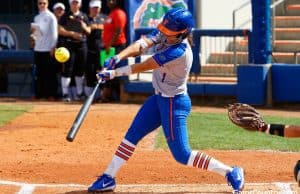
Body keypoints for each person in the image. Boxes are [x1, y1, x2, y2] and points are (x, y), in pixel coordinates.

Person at [88, 8, 244, 193]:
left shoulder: (179, 52)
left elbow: (145, 65)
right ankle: (108, 177)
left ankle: (231, 172)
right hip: (158, 99)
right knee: (132, 136)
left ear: (183, 33)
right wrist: (117, 57)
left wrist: (114, 73)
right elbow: (142, 44)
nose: (165, 35)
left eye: (170, 34)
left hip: (174, 104)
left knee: (182, 155)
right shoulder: (167, 32)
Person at [58, 0, 91, 102]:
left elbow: (89, 31)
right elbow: (60, 30)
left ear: (80, 4)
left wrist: (83, 25)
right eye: (73, 2)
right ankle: (65, 94)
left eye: (77, 2)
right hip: (69, 46)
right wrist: (72, 34)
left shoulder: (84, 16)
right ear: (70, 4)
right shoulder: (65, 15)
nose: (75, 4)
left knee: (80, 70)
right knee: (67, 69)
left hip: (81, 45)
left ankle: (79, 93)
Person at [31, 0, 58, 100]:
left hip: (48, 49)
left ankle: (51, 94)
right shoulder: (36, 17)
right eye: (39, 3)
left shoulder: (51, 16)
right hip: (38, 49)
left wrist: (53, 47)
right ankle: (39, 94)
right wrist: (33, 41)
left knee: (50, 73)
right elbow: (35, 33)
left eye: (44, 3)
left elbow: (55, 33)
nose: (42, 5)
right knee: (39, 73)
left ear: (47, 4)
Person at [101, 0, 127, 102]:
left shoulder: (119, 13)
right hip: (109, 48)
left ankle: (112, 96)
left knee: (113, 71)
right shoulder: (111, 13)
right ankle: (107, 96)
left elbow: (118, 31)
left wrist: (109, 45)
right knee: (106, 69)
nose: (109, 2)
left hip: (116, 47)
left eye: (112, 0)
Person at [85, 0, 106, 97]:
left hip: (101, 50)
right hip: (88, 49)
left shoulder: (104, 18)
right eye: (94, 8)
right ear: (90, 8)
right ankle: (89, 95)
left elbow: (108, 28)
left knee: (101, 71)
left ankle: (101, 95)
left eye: (97, 8)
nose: (95, 10)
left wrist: (96, 26)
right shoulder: (85, 18)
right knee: (89, 71)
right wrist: (91, 27)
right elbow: (85, 29)